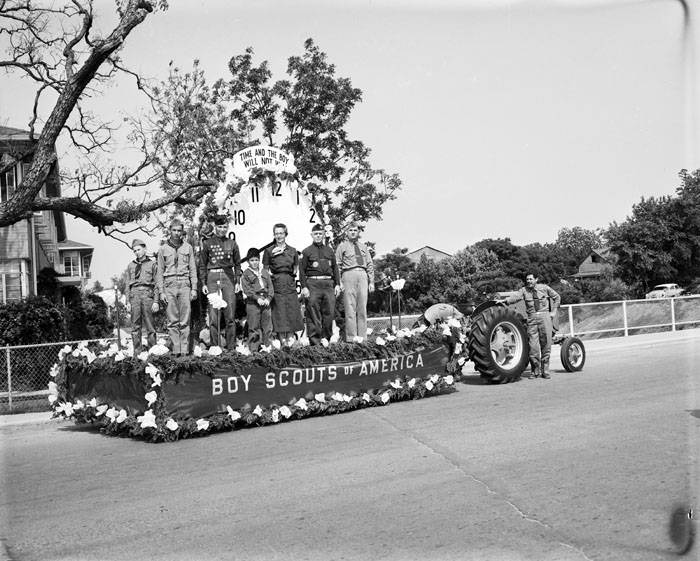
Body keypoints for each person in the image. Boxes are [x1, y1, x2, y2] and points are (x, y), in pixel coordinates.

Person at [502, 273, 561, 379]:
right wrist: (504, 301)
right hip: (532, 319)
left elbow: (557, 297)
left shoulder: (544, 288)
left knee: (546, 344)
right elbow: (515, 297)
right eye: (527, 279)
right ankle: (535, 371)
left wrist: (554, 311)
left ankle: (545, 371)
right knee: (533, 347)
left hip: (545, 317)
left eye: (531, 279)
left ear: (536, 279)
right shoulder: (524, 290)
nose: (528, 281)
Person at [199, 214, 242, 350]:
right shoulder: (207, 243)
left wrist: (237, 282)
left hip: (228, 278)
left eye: (225, 227)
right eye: (220, 227)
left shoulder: (232, 243)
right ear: (215, 227)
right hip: (212, 277)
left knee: (230, 315)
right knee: (214, 316)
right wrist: (204, 283)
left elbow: (238, 264)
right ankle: (215, 347)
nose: (223, 229)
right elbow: (202, 264)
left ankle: (231, 349)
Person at [156, 219, 198, 356]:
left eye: (179, 230)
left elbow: (192, 268)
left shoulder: (188, 247)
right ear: (170, 230)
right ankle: (176, 350)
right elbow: (160, 272)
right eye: (174, 230)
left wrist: (194, 288)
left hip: (185, 283)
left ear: (182, 232)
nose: (176, 233)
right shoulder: (163, 249)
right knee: (172, 320)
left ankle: (184, 352)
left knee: (185, 320)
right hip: (169, 284)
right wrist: (161, 291)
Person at [262, 223, 304, 344]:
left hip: (289, 281)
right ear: (274, 235)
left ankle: (291, 337)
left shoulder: (292, 250)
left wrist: (289, 276)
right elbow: (265, 270)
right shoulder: (268, 251)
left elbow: (295, 267)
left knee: (291, 308)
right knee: (279, 310)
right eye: (276, 233)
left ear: (285, 234)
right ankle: (281, 338)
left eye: (281, 233)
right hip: (276, 282)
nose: (279, 236)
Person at [300, 224, 341, 345]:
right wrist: (304, 287)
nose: (318, 236)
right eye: (316, 234)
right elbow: (301, 271)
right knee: (313, 312)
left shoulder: (329, 250)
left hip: (328, 283)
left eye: (320, 233)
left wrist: (337, 284)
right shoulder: (306, 251)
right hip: (313, 283)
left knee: (329, 312)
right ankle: (315, 341)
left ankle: (326, 338)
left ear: (323, 235)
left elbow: (335, 268)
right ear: (311, 235)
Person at [335, 222, 375, 340]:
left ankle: (362, 337)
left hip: (362, 275)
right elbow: (337, 266)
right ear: (347, 233)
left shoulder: (363, 247)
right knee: (350, 307)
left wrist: (371, 281)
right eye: (350, 230)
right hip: (348, 275)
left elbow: (369, 264)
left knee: (362, 307)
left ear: (358, 233)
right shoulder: (341, 246)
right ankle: (351, 338)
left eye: (355, 230)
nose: (353, 232)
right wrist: (339, 282)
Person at [125, 239, 159, 353]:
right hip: (134, 296)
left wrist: (156, 301)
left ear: (145, 249)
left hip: (147, 294)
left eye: (139, 249)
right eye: (135, 251)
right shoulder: (130, 266)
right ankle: (137, 353)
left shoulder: (153, 264)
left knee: (150, 326)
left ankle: (153, 352)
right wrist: (128, 302)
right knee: (135, 326)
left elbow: (157, 284)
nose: (137, 252)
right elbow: (127, 285)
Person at [241, 248, 274, 352]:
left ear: (259, 260)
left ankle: (268, 347)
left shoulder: (264, 272)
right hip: (253, 303)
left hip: (265, 301)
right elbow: (247, 289)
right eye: (252, 260)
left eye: (256, 260)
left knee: (267, 326)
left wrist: (269, 298)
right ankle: (254, 350)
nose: (254, 262)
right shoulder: (246, 274)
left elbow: (270, 287)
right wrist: (256, 298)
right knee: (254, 327)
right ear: (248, 261)